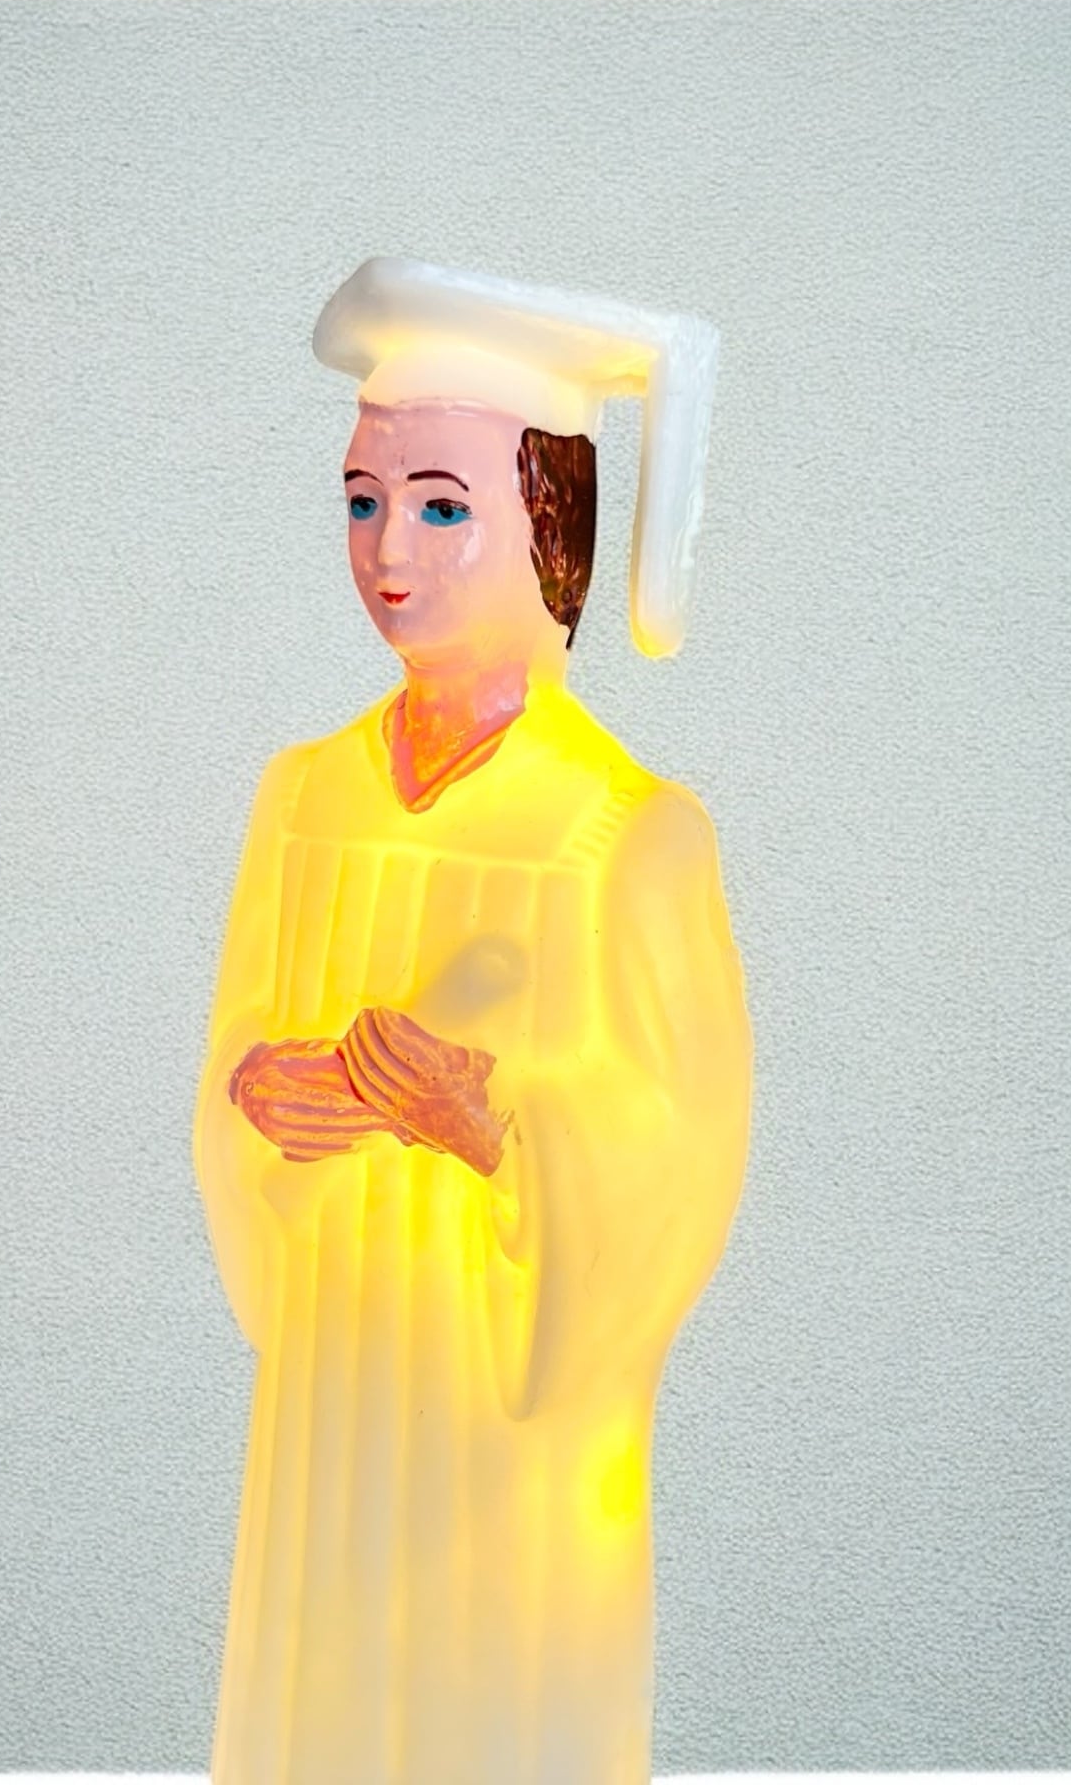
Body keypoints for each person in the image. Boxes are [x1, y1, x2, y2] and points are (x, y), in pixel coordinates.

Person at [193, 257, 753, 1785]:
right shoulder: (302, 801)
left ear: (549, 522)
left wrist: (491, 1123)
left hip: (510, 1448)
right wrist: (268, 1102)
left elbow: (681, 1157)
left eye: (443, 507)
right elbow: (232, 1080)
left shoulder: (626, 836)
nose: (389, 549)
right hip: (331, 1396)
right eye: (363, 499)